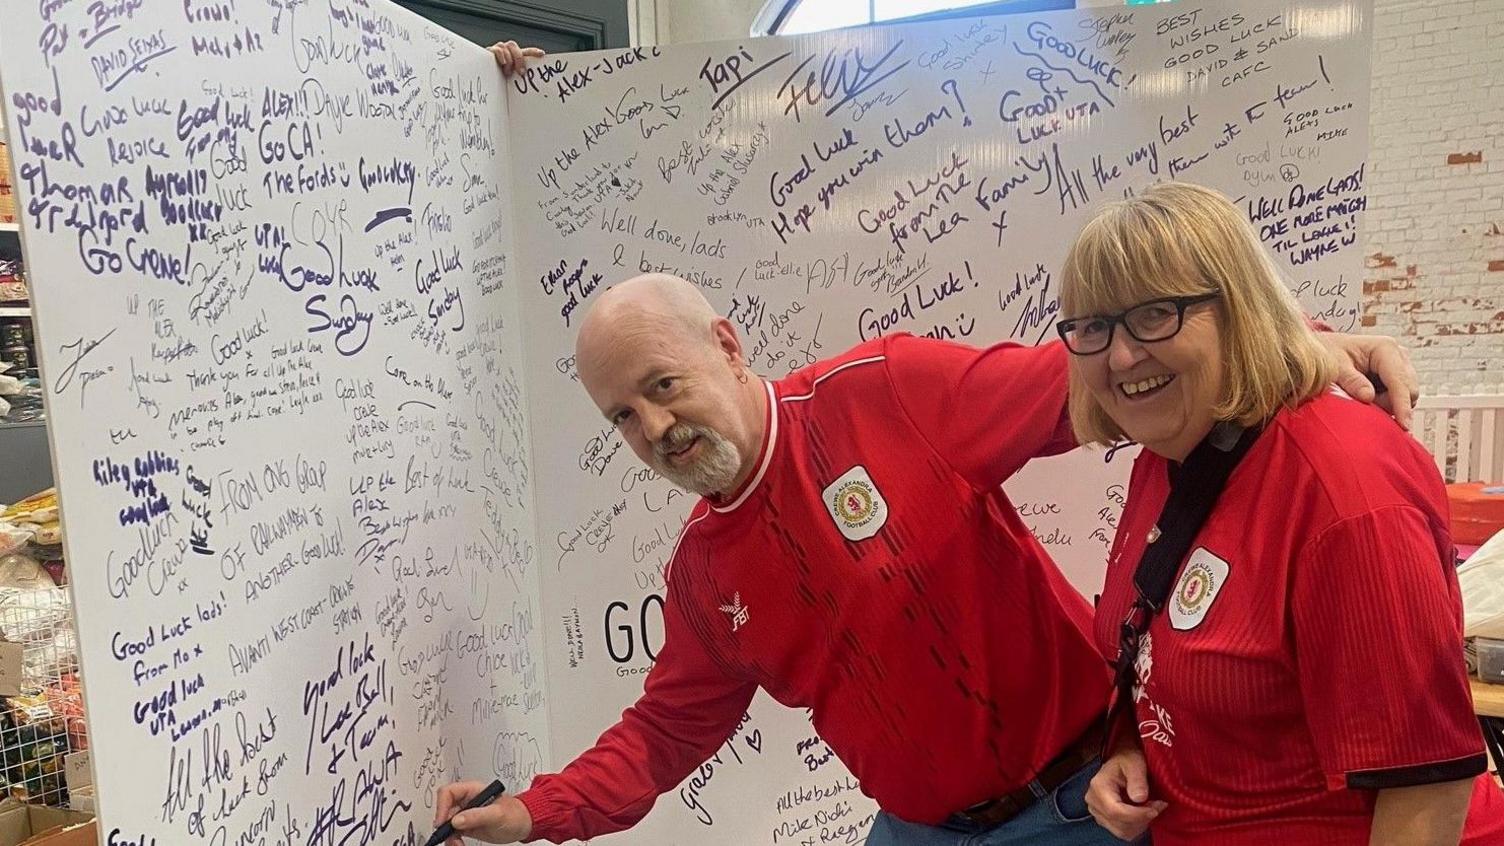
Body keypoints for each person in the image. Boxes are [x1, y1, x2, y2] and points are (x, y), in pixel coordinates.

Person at [434, 269, 1417, 844]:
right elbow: (662, 733)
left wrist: (1301, 346)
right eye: (623, 416)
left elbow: (1102, 379)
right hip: (922, 832)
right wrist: (532, 812)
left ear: (728, 347)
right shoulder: (703, 575)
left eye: (662, 385)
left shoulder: (884, 392)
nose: (655, 427)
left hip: (1086, 801)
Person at [1053, 183, 1504, 845]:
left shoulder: (1345, 490)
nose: (1121, 356)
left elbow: (1428, 786)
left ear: (1240, 311)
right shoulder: (1172, 452)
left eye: (1156, 314)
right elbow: (1170, 651)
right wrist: (1134, 752)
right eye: (1095, 327)